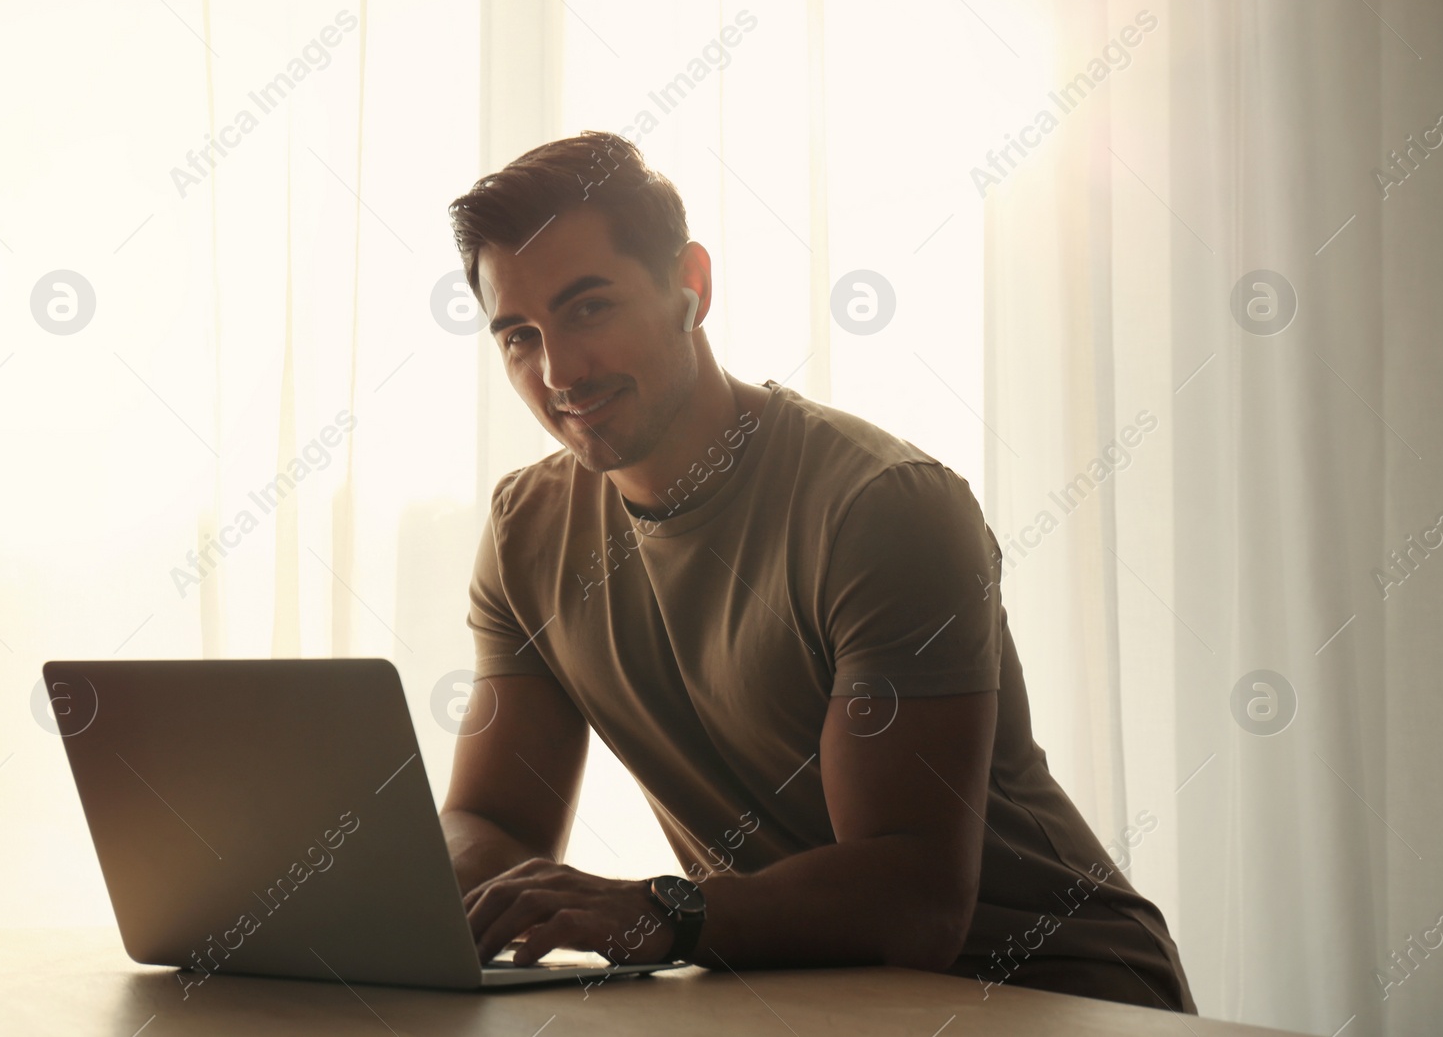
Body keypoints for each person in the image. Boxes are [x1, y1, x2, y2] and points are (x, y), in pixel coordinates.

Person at [437, 130, 1197, 1014]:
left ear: (692, 286)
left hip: (1055, 989)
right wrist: (439, 899)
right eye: (520, 336)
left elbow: (913, 901)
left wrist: (653, 910)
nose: (559, 371)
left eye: (588, 309)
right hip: (808, 996)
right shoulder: (527, 528)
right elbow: (493, 822)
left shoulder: (883, 508)